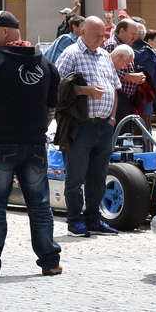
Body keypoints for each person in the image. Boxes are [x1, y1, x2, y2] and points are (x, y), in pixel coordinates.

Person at [0, 11, 61, 277]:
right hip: (34, 143)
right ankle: (50, 261)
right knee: (40, 204)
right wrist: (41, 127)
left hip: (1, 143)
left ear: (6, 32)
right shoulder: (44, 62)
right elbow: (52, 105)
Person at [54, 16, 125, 237]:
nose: (100, 40)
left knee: (98, 176)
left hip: (103, 126)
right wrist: (86, 91)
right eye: (96, 35)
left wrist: (112, 119)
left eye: (103, 35)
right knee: (75, 177)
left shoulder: (104, 55)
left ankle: (94, 218)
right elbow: (58, 88)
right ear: (82, 32)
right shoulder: (71, 54)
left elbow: (114, 88)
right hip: (80, 125)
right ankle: (75, 220)